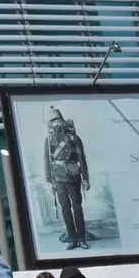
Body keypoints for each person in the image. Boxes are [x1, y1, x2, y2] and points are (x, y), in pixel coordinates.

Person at [44, 107, 89, 250]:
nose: (56, 124)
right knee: (65, 209)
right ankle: (72, 238)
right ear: (50, 124)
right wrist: (49, 179)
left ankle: (81, 237)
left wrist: (85, 178)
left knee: (77, 207)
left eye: (58, 120)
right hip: (58, 178)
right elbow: (47, 160)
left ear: (63, 121)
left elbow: (81, 158)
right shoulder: (49, 139)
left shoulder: (74, 138)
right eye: (53, 121)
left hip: (73, 175)